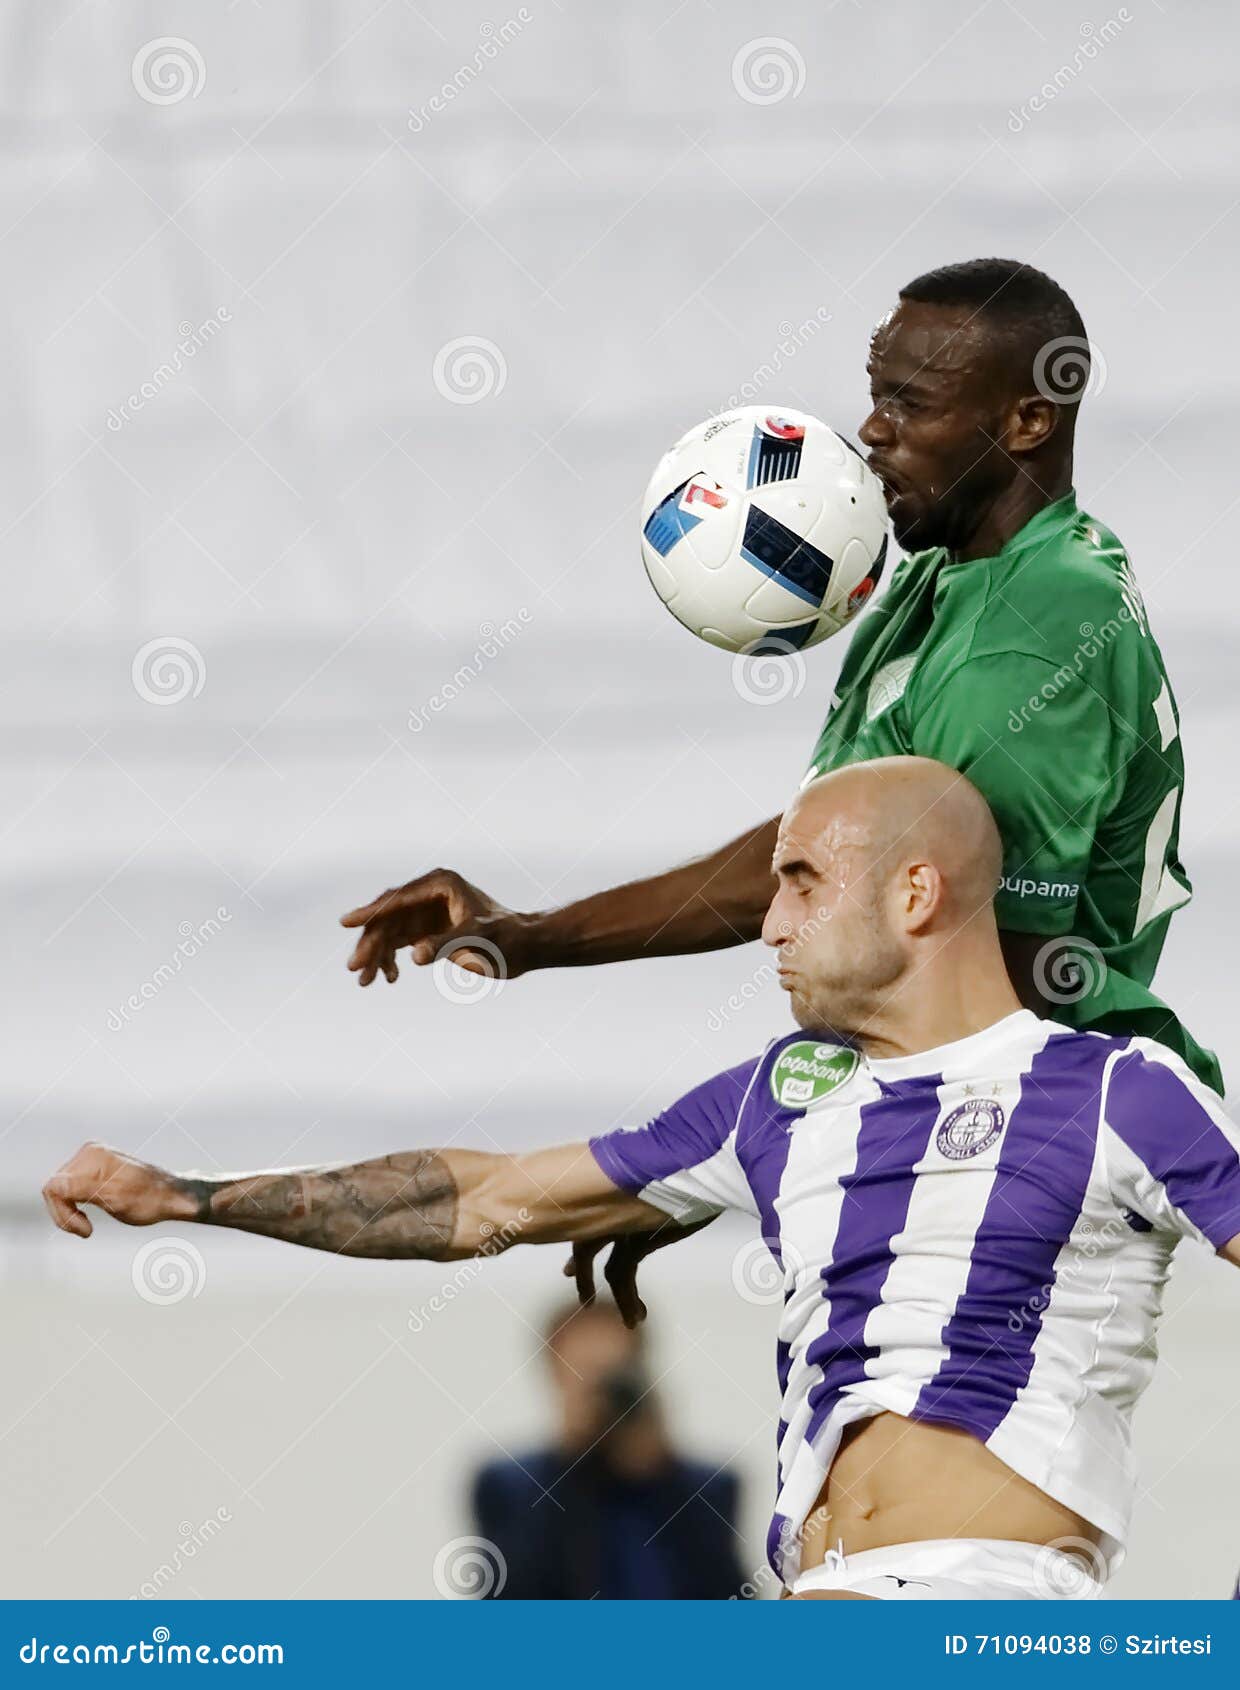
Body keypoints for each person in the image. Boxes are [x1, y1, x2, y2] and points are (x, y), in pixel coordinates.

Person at [44, 759, 1240, 1600]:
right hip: (816, 1597)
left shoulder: (1110, 1090)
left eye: (800, 881)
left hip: (985, 1610)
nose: (766, 924)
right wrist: (195, 1196)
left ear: (915, 893)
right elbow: (490, 1197)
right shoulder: (784, 1093)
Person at [339, 256, 1219, 1317]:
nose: (872, 431)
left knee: (942, 1477)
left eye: (910, 403)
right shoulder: (951, 577)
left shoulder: (1033, 632)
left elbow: (989, 968)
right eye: (873, 391)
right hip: (956, 1123)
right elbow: (825, 859)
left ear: (1027, 420)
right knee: (848, 1476)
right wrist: (533, 937)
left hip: (1025, 1148)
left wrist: (774, 1137)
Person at [470, 1300, 745, 1599]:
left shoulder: (706, 1488)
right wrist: (571, 1461)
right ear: (554, 1373)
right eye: (583, 1371)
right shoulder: (508, 1486)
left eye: (612, 1375)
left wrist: (659, 1472)